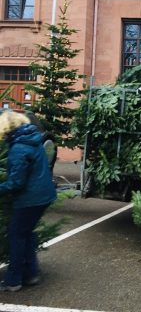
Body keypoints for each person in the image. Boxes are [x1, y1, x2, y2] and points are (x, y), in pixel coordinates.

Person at [0, 110, 57, 292]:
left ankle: (13, 280)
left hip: (29, 199)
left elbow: (16, 183)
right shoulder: (31, 138)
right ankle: (31, 274)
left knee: (16, 236)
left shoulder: (18, 148)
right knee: (26, 234)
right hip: (43, 196)